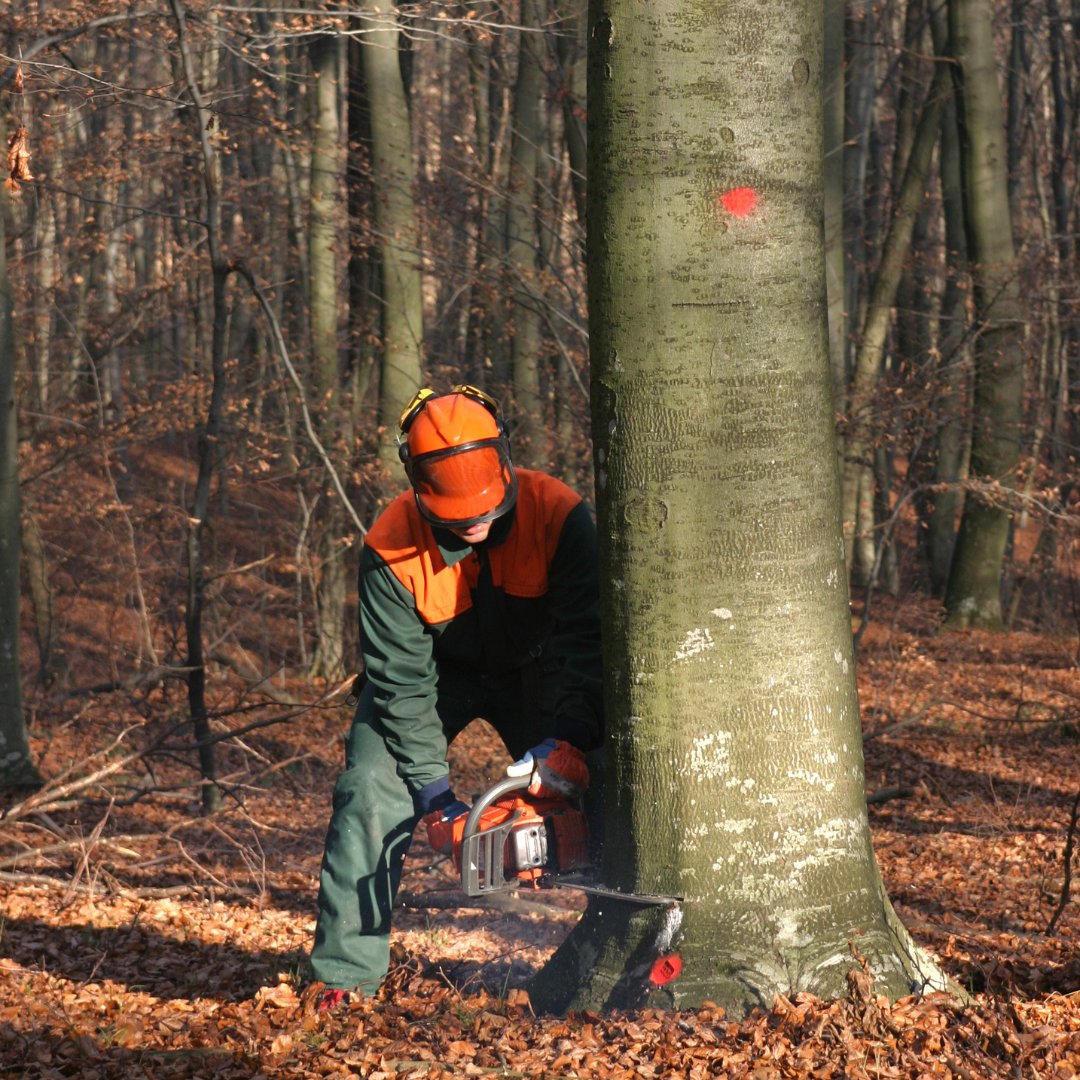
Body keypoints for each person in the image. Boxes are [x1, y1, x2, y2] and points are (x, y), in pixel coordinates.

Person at [310, 385, 604, 1008]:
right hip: (436, 676)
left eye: (482, 501)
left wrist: (571, 736)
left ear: (504, 461)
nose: (472, 518)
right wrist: (436, 800)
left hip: (541, 667)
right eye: (452, 507)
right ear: (418, 486)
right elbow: (401, 682)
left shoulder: (559, 513)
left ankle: (631, 939)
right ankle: (345, 976)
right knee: (369, 787)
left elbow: (589, 636)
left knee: (617, 763)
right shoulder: (391, 548)